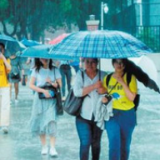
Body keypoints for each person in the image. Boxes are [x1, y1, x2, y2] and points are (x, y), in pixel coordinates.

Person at [102, 58, 137, 160]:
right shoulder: (107, 78)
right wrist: (103, 98)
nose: (119, 65)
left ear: (125, 64)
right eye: (117, 62)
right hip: (112, 114)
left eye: (122, 62)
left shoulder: (130, 77)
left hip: (128, 115)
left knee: (125, 146)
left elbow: (131, 97)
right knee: (113, 145)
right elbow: (104, 94)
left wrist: (122, 82)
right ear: (113, 63)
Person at [73, 58, 106, 160]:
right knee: (85, 142)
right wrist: (94, 86)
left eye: (93, 62)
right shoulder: (80, 75)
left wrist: (104, 91)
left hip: (99, 116)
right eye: (87, 62)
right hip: (83, 116)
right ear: (83, 63)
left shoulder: (103, 75)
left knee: (96, 144)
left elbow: (109, 93)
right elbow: (77, 92)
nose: (90, 64)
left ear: (97, 62)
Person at [29, 58, 61, 157]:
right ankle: (44, 146)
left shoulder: (55, 70)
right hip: (39, 99)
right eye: (42, 57)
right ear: (39, 58)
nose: (44, 59)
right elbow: (31, 85)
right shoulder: (36, 70)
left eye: (46, 57)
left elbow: (60, 85)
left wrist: (51, 82)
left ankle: (52, 147)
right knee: (40, 121)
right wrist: (42, 91)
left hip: (51, 99)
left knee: (52, 121)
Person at [0, 42, 11, 134]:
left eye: (1, 49)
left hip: (4, 86)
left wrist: (3, 58)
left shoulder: (6, 59)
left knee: (5, 106)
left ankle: (4, 125)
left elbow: (9, 68)